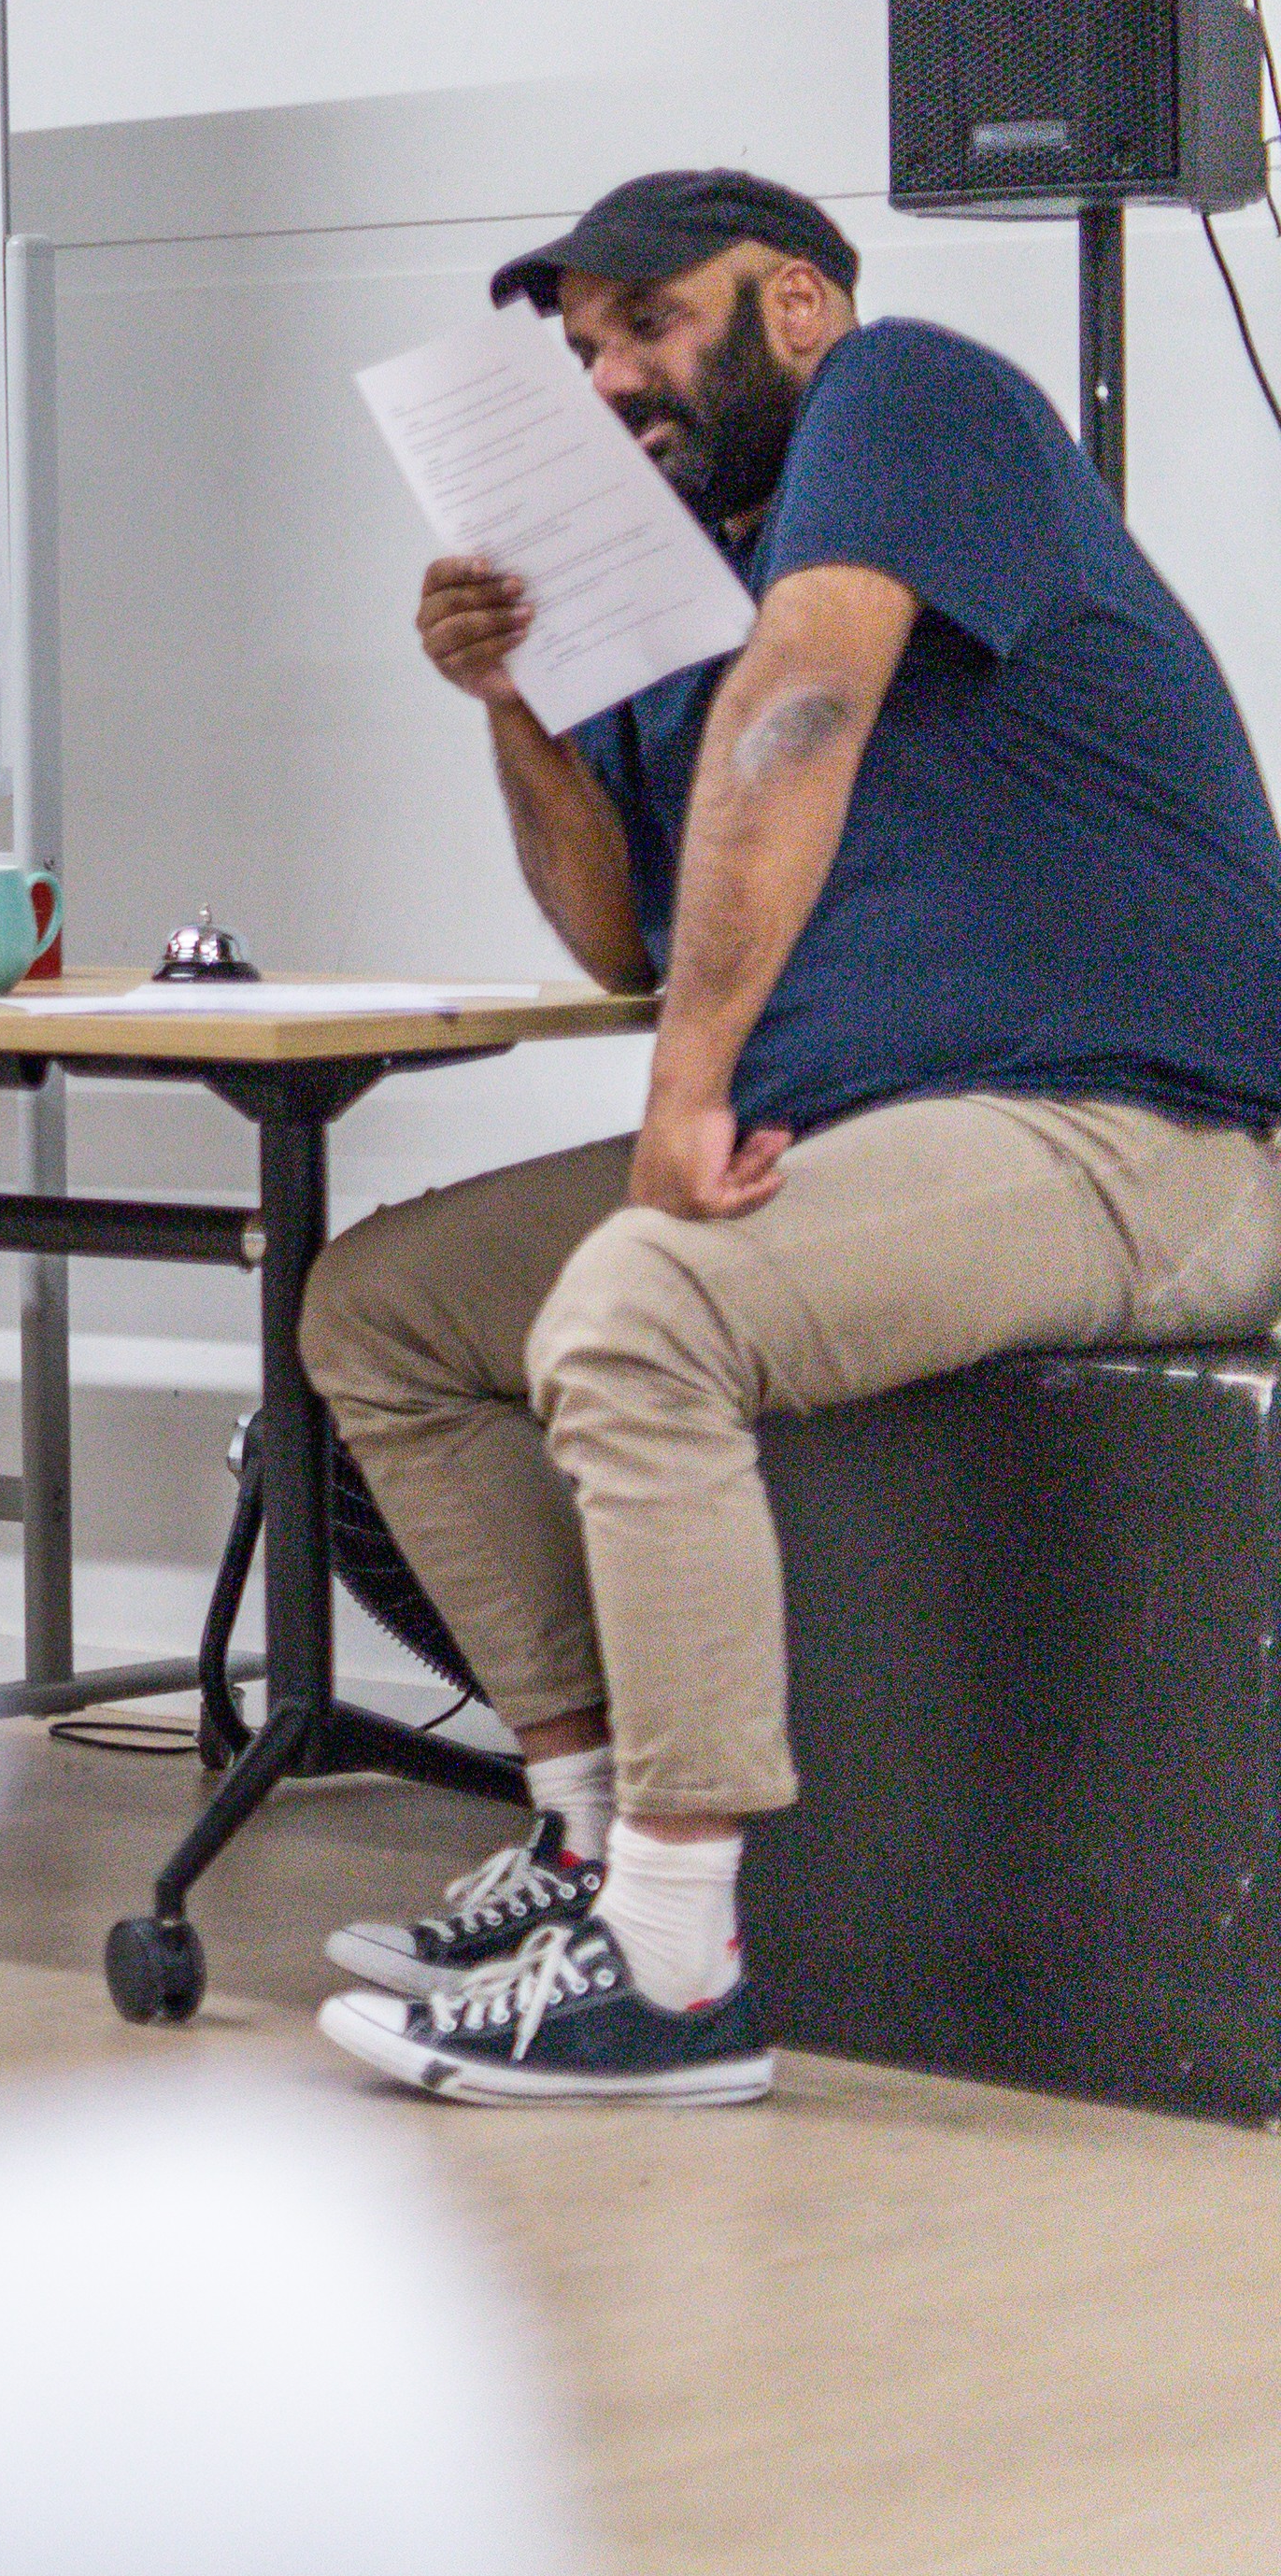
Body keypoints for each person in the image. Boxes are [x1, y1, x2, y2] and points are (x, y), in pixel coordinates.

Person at [308, 168, 1281, 2106]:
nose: (608, 378)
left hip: (1136, 1130)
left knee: (635, 1313)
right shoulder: (657, 582)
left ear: (801, 308)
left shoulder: (908, 402)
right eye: (580, 346)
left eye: (651, 324)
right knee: (382, 1312)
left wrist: (682, 1096)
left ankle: (673, 1972)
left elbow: (812, 698)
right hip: (875, 1134)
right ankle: (591, 1843)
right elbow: (608, 924)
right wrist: (511, 701)